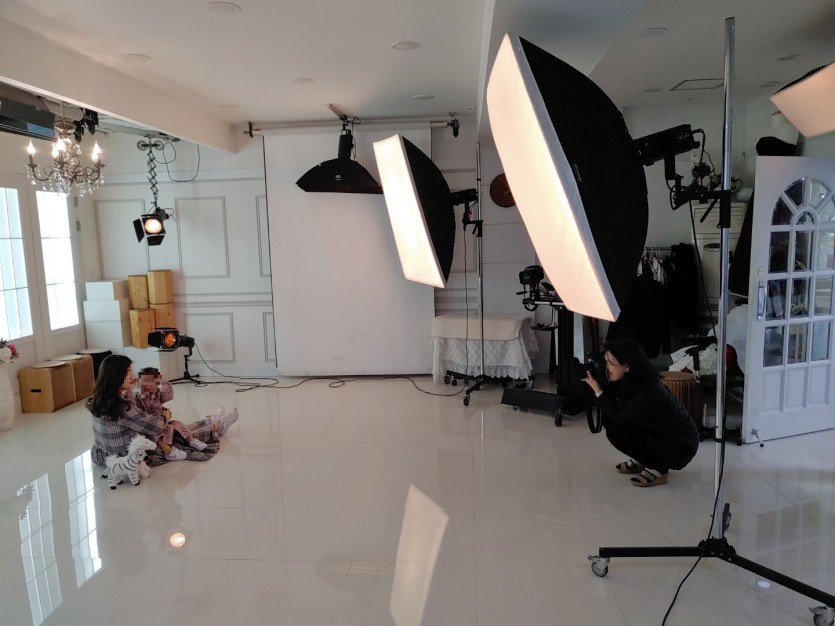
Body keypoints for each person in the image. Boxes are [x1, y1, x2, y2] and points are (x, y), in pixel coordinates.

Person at [581, 337, 700, 487]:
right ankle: (643, 458)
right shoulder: (632, 378)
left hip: (679, 447)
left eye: (610, 363)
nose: (606, 367)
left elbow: (619, 417)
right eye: (605, 360)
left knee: (616, 432)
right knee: (609, 417)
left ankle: (659, 469)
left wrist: (598, 390)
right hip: (660, 433)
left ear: (627, 366)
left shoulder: (648, 391)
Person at [87, 354, 239, 467]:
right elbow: (156, 427)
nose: (132, 375)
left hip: (104, 454)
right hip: (131, 456)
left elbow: (156, 403)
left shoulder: (99, 399)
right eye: (128, 372)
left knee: (174, 427)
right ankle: (217, 425)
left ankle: (210, 419)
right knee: (177, 436)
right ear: (116, 376)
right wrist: (165, 416)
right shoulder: (123, 407)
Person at [133, 366, 207, 461]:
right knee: (155, 435)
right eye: (146, 382)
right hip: (152, 426)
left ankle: (192, 440)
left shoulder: (156, 393)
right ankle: (168, 451)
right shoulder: (138, 397)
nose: (150, 385)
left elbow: (169, 395)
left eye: (154, 382)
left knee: (178, 424)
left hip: (164, 422)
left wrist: (164, 381)